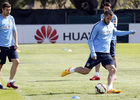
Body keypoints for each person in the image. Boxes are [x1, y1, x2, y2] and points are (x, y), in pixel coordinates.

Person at [61, 10, 136, 93]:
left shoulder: (111, 25)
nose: (109, 21)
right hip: (96, 53)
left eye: (110, 19)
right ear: (104, 16)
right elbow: (90, 40)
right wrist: (93, 52)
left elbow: (117, 32)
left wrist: (129, 32)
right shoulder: (97, 26)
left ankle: (110, 89)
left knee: (113, 70)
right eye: (108, 19)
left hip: (106, 54)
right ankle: (71, 70)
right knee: (85, 71)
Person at [90, 2, 118, 80]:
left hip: (111, 39)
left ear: (110, 8)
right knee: (98, 55)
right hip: (103, 40)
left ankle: (114, 74)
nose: (106, 9)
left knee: (113, 57)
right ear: (103, 9)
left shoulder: (114, 17)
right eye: (105, 8)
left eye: (108, 8)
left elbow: (114, 29)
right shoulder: (102, 16)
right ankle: (97, 74)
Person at [0, 2, 19, 89]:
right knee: (0, 65)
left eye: (10, 10)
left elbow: (14, 30)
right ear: (2, 9)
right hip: (1, 46)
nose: (9, 11)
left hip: (11, 45)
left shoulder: (11, 18)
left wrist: (16, 42)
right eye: (7, 10)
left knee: (16, 62)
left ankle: (10, 82)